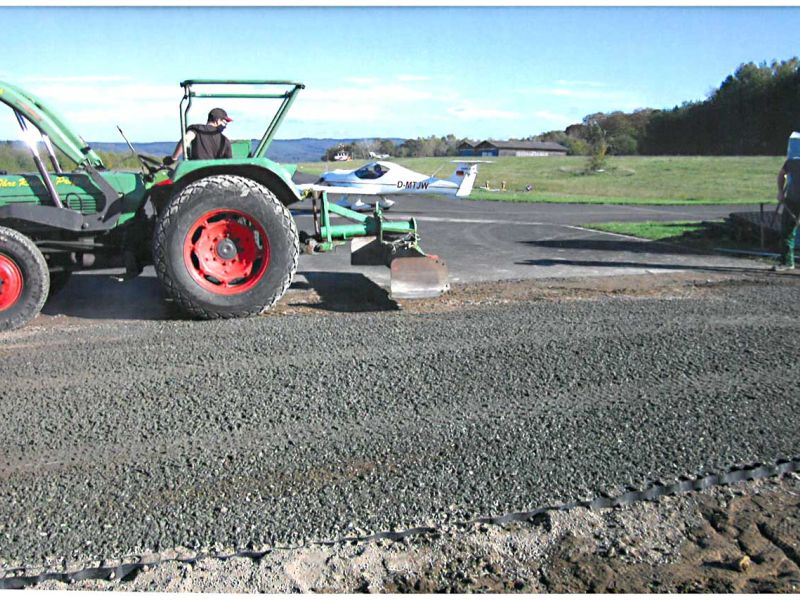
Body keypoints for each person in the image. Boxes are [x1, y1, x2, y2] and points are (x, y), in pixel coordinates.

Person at [165, 108, 233, 164]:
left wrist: (173, 158)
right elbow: (228, 163)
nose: (225, 126)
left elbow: (186, 139)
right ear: (217, 121)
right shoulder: (225, 140)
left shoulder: (197, 129)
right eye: (224, 123)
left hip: (197, 173)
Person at [774, 132, 800, 271]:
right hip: (792, 201)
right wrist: (780, 191)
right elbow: (781, 174)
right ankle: (787, 262)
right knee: (786, 232)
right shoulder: (792, 161)